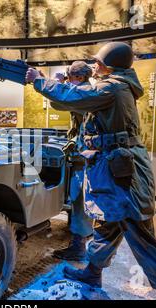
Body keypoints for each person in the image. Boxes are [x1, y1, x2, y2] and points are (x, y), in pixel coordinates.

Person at [25, 42, 156, 300]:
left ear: (110, 65)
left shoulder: (112, 87)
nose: (93, 65)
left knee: (140, 233)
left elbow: (74, 98)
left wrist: (39, 81)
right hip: (113, 168)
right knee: (107, 224)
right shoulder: (113, 85)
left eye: (98, 62)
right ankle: (92, 271)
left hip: (123, 175)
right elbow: (70, 103)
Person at [52, 61, 93, 261]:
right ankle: (81, 239)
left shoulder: (84, 92)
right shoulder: (88, 90)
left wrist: (56, 83)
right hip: (85, 154)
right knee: (80, 199)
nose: (68, 80)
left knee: (79, 199)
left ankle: (78, 247)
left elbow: (57, 102)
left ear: (77, 77)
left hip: (84, 157)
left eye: (70, 78)